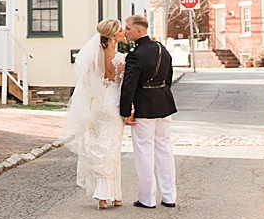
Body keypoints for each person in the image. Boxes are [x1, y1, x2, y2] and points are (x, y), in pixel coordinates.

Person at [58, 18, 126, 209]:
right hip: (112, 105)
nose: (123, 33)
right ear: (113, 36)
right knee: (112, 149)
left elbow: (86, 84)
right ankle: (111, 194)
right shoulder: (120, 59)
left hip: (96, 105)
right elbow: (122, 86)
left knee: (100, 146)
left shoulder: (93, 57)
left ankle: (105, 196)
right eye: (120, 30)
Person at [119, 15, 177, 208]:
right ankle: (169, 197)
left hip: (144, 105)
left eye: (128, 28)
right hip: (164, 103)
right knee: (165, 149)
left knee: (144, 151)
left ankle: (147, 199)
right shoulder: (162, 48)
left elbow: (129, 85)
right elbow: (169, 75)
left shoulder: (136, 54)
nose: (125, 32)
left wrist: (126, 110)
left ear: (139, 31)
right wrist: (162, 93)